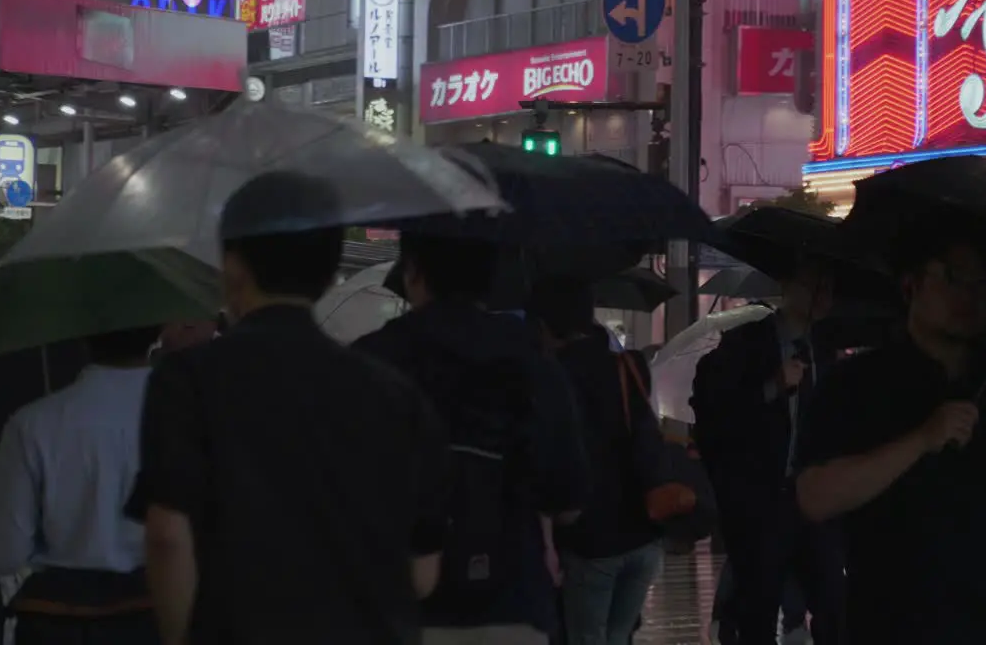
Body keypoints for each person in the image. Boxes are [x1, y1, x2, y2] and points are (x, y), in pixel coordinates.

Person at [126, 171, 447, 645]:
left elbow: (169, 537)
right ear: (330, 270)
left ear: (233, 266)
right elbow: (421, 574)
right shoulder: (394, 393)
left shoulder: (189, 379)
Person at [796, 227, 986, 644]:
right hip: (888, 627)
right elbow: (815, 498)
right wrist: (920, 440)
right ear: (910, 285)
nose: (969, 294)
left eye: (982, 282)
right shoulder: (854, 385)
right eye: (953, 277)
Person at [355, 234, 591, 645]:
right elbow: (569, 503)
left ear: (412, 272)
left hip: (398, 611)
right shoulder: (534, 363)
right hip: (513, 611)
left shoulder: (371, 360)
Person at [0, 325, 161, 645]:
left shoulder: (33, 423)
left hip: (60, 624)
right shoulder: (192, 413)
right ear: (158, 330)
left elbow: (3, 552)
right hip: (159, 613)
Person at [691, 257, 844, 645]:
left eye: (829, 288)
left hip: (814, 498)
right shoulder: (745, 344)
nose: (822, 297)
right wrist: (772, 387)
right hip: (761, 499)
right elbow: (714, 413)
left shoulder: (826, 349)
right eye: (813, 286)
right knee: (758, 605)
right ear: (788, 287)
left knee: (833, 601)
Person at [526, 278, 661, 645]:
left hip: (589, 541)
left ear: (541, 327)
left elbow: (550, 465)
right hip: (645, 532)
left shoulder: (552, 380)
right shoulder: (630, 365)